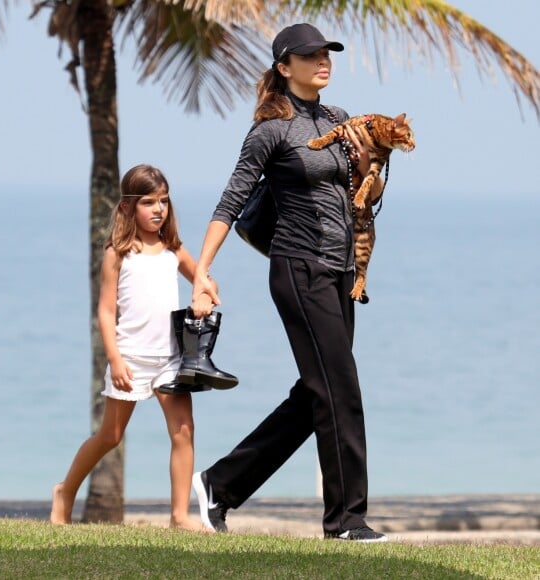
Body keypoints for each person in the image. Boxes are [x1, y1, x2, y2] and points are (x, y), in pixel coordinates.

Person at [189, 23, 388, 542]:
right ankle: (346, 522)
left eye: (327, 53)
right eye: (310, 55)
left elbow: (360, 190)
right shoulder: (270, 129)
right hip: (298, 268)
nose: (324, 61)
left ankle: (220, 484)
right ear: (284, 67)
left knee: (318, 391)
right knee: (339, 390)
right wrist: (201, 273)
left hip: (342, 274)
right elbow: (230, 202)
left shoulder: (340, 120)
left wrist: (375, 159)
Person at [50, 164, 216, 529]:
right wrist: (115, 359)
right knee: (110, 435)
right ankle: (64, 492)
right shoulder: (118, 253)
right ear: (127, 207)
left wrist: (202, 296)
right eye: (148, 202)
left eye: (164, 201)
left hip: (171, 359)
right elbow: (106, 312)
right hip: (131, 358)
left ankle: (179, 516)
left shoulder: (174, 249)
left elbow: (205, 282)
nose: (159, 209)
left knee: (184, 431)